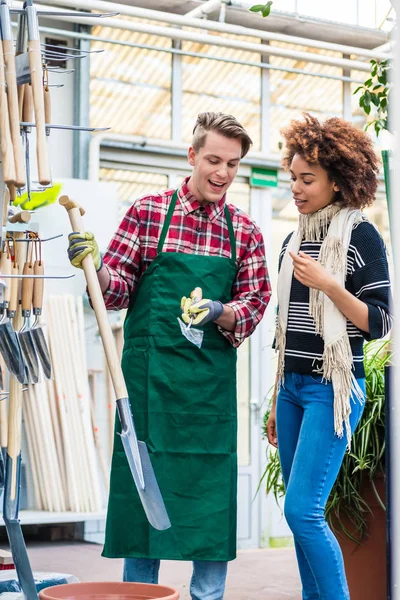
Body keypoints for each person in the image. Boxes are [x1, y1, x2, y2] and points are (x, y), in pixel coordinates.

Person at [67, 112, 271, 600]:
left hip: (207, 400)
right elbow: (116, 290)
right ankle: (140, 595)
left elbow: (256, 303)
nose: (222, 173)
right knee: (144, 495)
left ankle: (208, 596)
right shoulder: (149, 213)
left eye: (233, 165)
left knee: (208, 501)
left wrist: (219, 310)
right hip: (148, 393)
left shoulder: (243, 231)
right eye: (214, 160)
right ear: (192, 156)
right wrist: (92, 267)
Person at [266, 112, 392, 600]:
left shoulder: (361, 237)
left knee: (303, 511)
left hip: (333, 390)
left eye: (307, 179)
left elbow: (380, 322)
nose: (295, 188)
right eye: (292, 177)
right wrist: (275, 397)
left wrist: (330, 285)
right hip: (293, 388)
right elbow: (286, 334)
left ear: (338, 182)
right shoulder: (292, 242)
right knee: (299, 518)